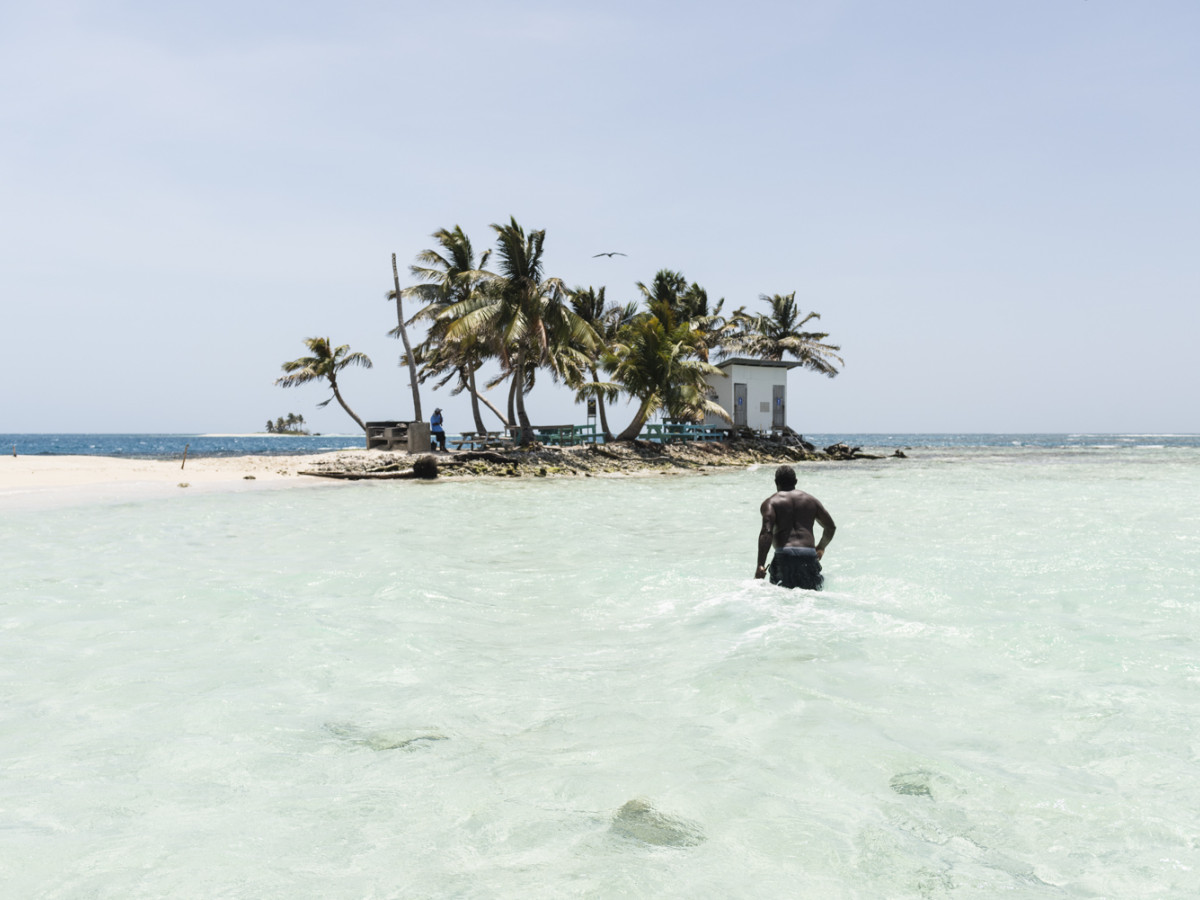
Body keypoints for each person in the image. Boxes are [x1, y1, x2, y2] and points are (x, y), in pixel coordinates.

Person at [755, 464, 836, 589]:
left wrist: (760, 564)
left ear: (776, 482)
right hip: (808, 555)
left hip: (784, 556)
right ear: (796, 481)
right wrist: (820, 547)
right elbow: (830, 527)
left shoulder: (771, 502)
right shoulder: (811, 501)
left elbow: (767, 532)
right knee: (810, 598)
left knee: (780, 600)